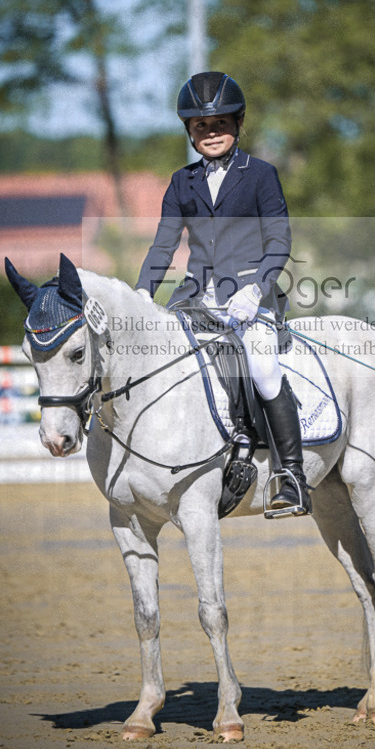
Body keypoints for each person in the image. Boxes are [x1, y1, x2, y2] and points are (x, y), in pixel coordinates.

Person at [136, 71, 311, 515]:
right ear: (189, 131)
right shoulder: (182, 182)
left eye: (220, 124)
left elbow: (280, 241)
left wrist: (257, 288)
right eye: (201, 126)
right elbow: (163, 246)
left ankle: (291, 476)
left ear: (238, 124)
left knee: (264, 369)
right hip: (196, 298)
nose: (211, 133)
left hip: (251, 296)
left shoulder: (261, 175)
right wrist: (141, 294)